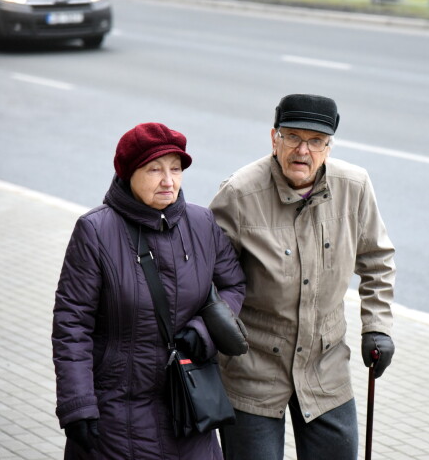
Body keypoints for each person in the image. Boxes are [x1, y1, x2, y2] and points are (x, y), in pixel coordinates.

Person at [209, 94, 396, 460]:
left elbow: (377, 259)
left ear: (328, 146)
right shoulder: (239, 194)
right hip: (253, 366)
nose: (302, 151)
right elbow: (208, 276)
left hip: (325, 365)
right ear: (273, 138)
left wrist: (377, 326)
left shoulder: (354, 187)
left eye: (315, 141)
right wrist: (217, 323)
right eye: (292, 137)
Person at [52, 122, 246, 459]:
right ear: (128, 173)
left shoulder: (202, 224)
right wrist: (78, 403)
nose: (168, 180)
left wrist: (204, 332)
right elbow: (72, 324)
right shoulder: (96, 231)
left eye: (175, 168)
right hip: (116, 415)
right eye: (154, 169)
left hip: (189, 406)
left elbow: (234, 284)